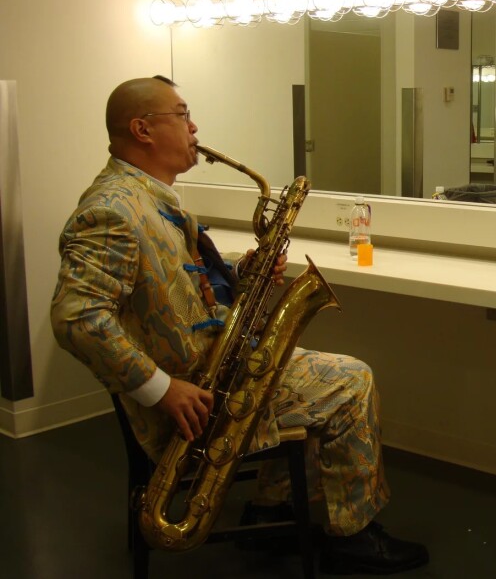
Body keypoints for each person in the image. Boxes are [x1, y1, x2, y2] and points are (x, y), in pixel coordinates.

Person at [50, 76, 428, 575]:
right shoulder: (112, 211)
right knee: (353, 379)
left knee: (278, 362)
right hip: (201, 397)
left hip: (215, 368)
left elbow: (178, 291)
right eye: (182, 115)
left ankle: (270, 507)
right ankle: (354, 535)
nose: (194, 126)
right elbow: (76, 317)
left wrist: (243, 276)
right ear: (143, 129)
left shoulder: (149, 197)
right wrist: (162, 390)